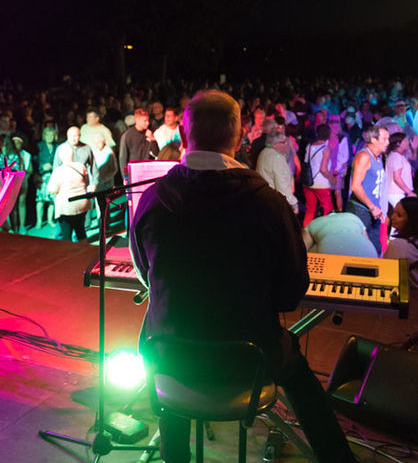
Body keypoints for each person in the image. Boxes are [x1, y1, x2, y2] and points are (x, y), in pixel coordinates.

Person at [129, 89, 356, 463]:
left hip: (170, 356)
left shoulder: (153, 199)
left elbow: (146, 279)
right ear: (238, 140)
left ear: (184, 138)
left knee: (170, 336)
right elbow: (289, 295)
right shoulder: (270, 204)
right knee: (300, 376)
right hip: (248, 362)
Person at [348, 126, 389, 255]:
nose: (388, 142)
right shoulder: (364, 156)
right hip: (360, 209)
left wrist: (377, 207)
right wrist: (372, 207)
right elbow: (355, 186)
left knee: (375, 249)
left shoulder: (379, 157)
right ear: (373, 139)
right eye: (384, 139)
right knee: (363, 251)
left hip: (372, 210)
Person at [383, 197, 418, 291]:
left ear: (413, 220)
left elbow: (387, 273)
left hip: (405, 295)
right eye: (394, 212)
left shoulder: (397, 245)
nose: (393, 217)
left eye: (399, 215)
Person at [46, 144, 90, 242]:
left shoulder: (58, 171)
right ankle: (86, 254)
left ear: (60, 156)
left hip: (66, 207)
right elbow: (87, 182)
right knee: (81, 231)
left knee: (66, 235)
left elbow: (52, 189)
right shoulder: (81, 166)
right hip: (82, 204)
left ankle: (71, 255)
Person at [257, 131, 298, 213]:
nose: (286, 145)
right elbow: (282, 185)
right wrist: (293, 203)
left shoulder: (264, 152)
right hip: (276, 204)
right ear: (274, 144)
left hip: (265, 199)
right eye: (283, 142)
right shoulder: (276, 158)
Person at [302, 124, 334, 226]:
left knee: (310, 209)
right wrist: (332, 178)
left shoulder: (309, 146)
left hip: (308, 182)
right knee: (327, 210)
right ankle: (326, 233)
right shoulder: (325, 148)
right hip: (321, 184)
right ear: (328, 135)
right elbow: (323, 169)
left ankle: (305, 234)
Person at [382, 131, 413, 213]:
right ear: (399, 143)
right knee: (400, 219)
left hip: (395, 193)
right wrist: (409, 192)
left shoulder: (394, 155)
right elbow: (397, 177)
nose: (408, 142)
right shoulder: (396, 157)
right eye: (405, 141)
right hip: (396, 194)